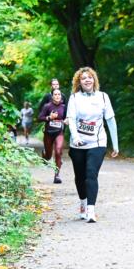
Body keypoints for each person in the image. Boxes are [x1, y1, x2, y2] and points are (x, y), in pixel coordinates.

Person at [66, 67, 119, 222]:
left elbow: (110, 120)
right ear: (79, 82)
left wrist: (115, 144)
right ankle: (83, 202)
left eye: (90, 77)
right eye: (84, 78)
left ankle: (91, 210)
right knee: (80, 176)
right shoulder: (74, 98)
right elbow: (72, 120)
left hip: (97, 142)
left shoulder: (103, 97)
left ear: (94, 80)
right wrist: (75, 137)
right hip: (78, 144)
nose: (87, 80)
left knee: (91, 173)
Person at [37, 88, 67, 184]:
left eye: (59, 94)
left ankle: (57, 175)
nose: (57, 96)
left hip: (59, 132)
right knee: (49, 156)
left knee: (58, 152)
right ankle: (44, 155)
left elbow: (68, 117)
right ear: (52, 96)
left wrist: (66, 120)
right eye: (55, 94)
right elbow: (39, 118)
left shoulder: (64, 107)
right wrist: (49, 117)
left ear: (61, 96)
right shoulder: (47, 106)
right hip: (48, 133)